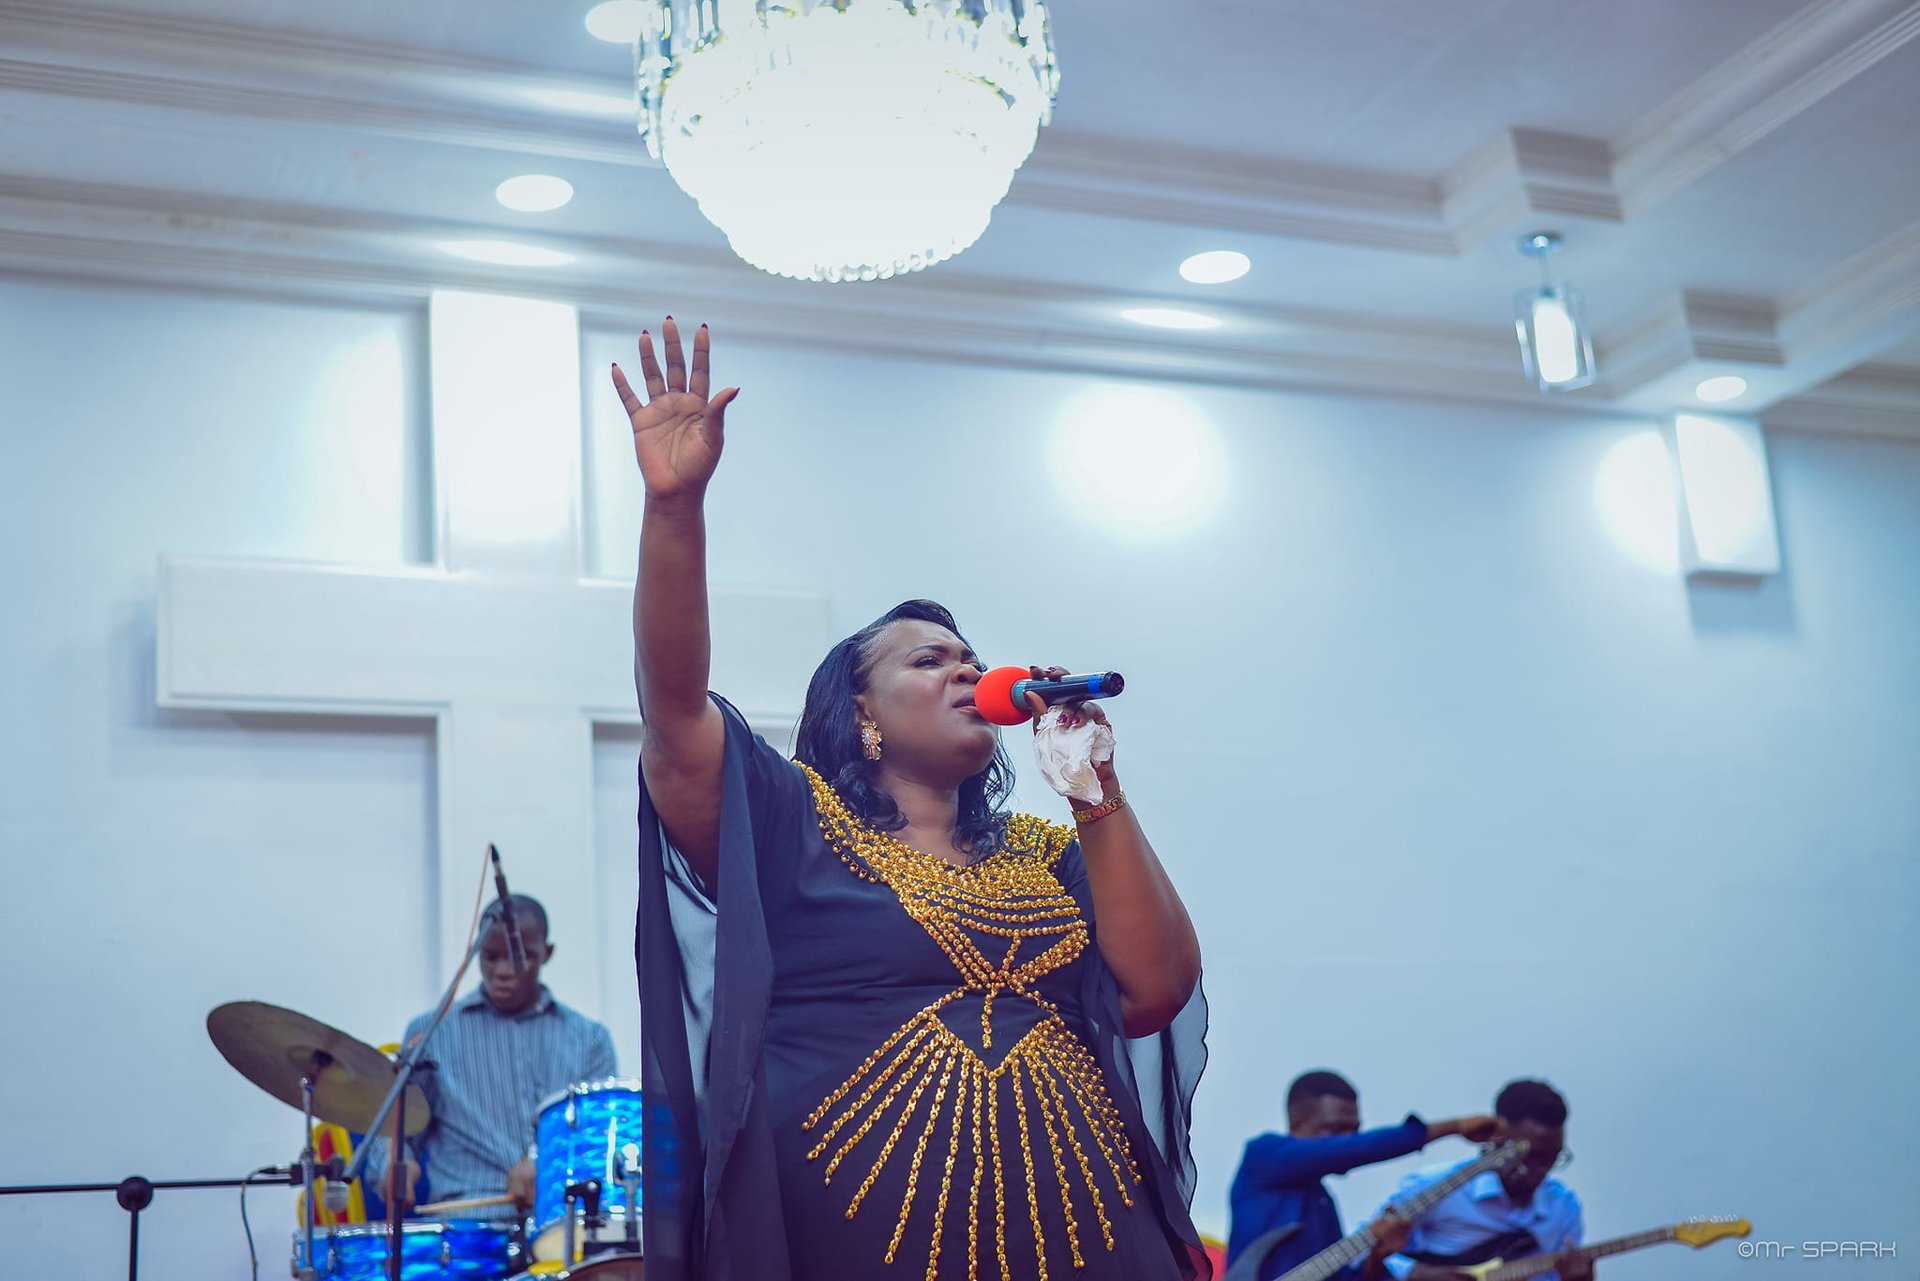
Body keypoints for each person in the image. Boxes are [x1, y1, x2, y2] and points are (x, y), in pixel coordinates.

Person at [615, 318, 1209, 1281]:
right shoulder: (795, 820)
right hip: (856, 1239)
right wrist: (673, 509)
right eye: (930, 660)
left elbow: (1157, 991)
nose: (968, 670)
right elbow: (676, 713)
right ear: (861, 713)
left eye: (972, 657)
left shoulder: (1043, 851)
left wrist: (1096, 791)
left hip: (1089, 1234)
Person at [362, 894, 617, 1217]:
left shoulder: (591, 1039)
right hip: (466, 1225)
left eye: (520, 957)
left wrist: (544, 1163)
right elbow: (396, 1129)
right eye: (490, 957)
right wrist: (393, 1163)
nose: (503, 971)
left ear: (547, 953)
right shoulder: (432, 1033)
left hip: (561, 1220)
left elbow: (599, 1140)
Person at [1227, 1070, 1503, 1280]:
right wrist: (1455, 1126)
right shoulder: (1262, 1156)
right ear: (1296, 1121)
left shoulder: (1323, 1204)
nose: (1349, 1139)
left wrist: (1377, 1255)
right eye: (1336, 1129)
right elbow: (1361, 1148)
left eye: (1355, 1129)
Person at [1375, 1080, 1588, 1281]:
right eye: (1531, 1156)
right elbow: (1363, 1249)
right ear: (1499, 1136)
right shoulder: (1436, 1186)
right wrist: (1418, 1273)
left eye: (1553, 1157)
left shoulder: (1564, 1206)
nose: (1542, 1170)